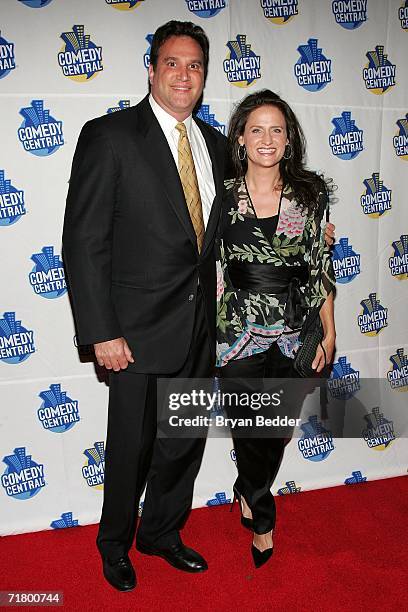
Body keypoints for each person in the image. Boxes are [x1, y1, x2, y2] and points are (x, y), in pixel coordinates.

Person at [62, 20, 226, 591]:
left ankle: (161, 533)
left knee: (182, 444)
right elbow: (84, 243)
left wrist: (305, 229)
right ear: (152, 70)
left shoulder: (218, 146)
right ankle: (115, 545)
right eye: (173, 63)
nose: (184, 75)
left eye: (195, 66)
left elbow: (239, 226)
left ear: (204, 77)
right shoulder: (109, 136)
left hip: (200, 328)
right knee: (130, 449)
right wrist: (101, 331)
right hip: (131, 333)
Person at [216, 90, 336, 568]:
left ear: (289, 140)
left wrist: (329, 330)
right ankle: (263, 519)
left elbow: (320, 261)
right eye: (257, 129)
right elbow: (209, 263)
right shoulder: (219, 196)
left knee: (276, 429)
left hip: (294, 325)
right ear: (241, 139)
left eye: (277, 130)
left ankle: (247, 487)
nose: (267, 139)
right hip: (236, 328)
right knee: (250, 427)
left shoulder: (311, 193)